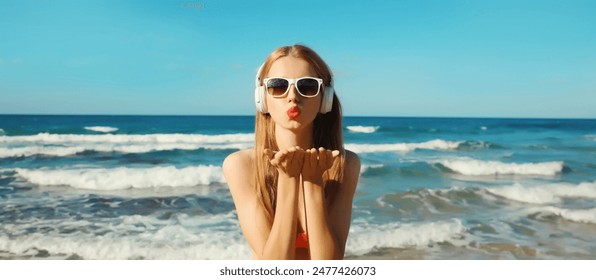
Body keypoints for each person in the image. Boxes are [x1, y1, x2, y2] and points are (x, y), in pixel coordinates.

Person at [223, 44, 360, 260]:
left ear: (325, 98)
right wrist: (289, 178)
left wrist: (312, 182)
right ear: (262, 98)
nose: (293, 97)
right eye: (278, 86)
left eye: (307, 86)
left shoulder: (345, 163)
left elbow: (329, 266)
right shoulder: (240, 165)